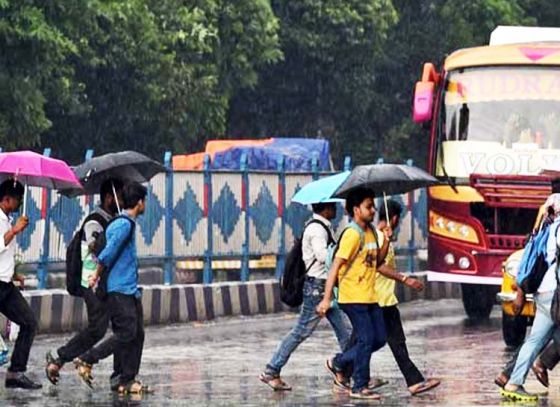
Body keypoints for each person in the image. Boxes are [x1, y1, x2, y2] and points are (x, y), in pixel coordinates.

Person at [259, 202, 351, 391]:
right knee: (301, 331)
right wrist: (343, 254)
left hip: (326, 287)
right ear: (325, 208)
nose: (335, 209)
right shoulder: (317, 229)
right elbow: (322, 256)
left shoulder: (323, 226)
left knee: (346, 333)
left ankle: (351, 374)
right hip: (317, 288)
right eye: (332, 206)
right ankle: (271, 370)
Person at [45, 179, 124, 386]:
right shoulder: (94, 221)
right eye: (120, 197)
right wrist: (115, 235)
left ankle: (120, 376)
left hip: (107, 283)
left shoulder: (114, 219)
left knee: (121, 326)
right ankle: (60, 356)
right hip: (92, 282)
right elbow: (95, 247)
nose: (122, 202)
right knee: (98, 328)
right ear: (109, 198)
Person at [316, 188, 387, 400]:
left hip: (369, 296)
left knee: (379, 339)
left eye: (373, 206)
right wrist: (327, 298)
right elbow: (335, 267)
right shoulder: (352, 234)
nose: (373, 210)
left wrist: (388, 239)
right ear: (356, 209)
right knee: (366, 340)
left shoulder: (372, 232)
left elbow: (377, 262)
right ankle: (359, 386)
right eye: (368, 206)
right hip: (352, 296)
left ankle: (339, 362)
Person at [89, 182, 150, 395]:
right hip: (120, 289)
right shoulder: (124, 224)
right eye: (144, 202)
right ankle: (89, 358)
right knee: (126, 333)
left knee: (137, 334)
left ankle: (127, 379)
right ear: (140, 203)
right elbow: (109, 252)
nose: (145, 205)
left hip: (130, 289)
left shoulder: (121, 222)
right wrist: (96, 274)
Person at [375, 199, 440, 395]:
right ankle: (340, 365)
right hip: (380, 298)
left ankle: (343, 368)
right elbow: (379, 265)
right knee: (388, 341)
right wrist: (406, 279)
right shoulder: (379, 238)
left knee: (383, 340)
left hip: (383, 298)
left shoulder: (382, 237)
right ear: (394, 218)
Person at [500, 193, 560, 402]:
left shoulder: (543, 231)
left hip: (543, 292)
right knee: (538, 340)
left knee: (534, 340)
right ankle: (529, 371)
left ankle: (513, 383)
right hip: (556, 293)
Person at [0, 180, 41, 389]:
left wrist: (15, 273)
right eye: (17, 200)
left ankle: (16, 372)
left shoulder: (7, 219)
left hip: (5, 284)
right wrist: (14, 231)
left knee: (29, 323)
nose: (19, 204)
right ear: (7, 199)